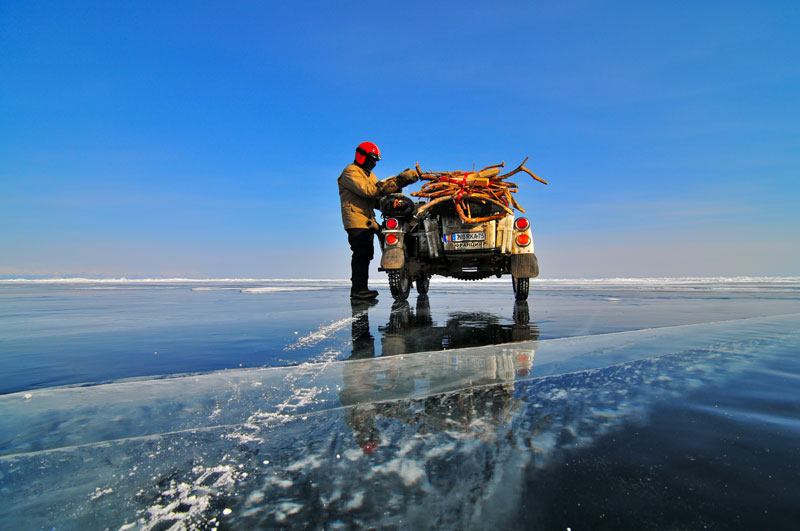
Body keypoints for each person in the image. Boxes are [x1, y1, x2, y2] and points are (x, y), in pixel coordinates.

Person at [338, 142, 418, 300]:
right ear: (362, 157)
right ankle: (358, 290)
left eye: (376, 161)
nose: (374, 163)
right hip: (356, 220)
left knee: (368, 253)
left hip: (368, 220)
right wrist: (398, 181)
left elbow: (376, 199)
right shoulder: (350, 171)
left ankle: (362, 287)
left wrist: (393, 201)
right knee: (361, 253)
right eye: (371, 159)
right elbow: (370, 191)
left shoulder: (370, 175)